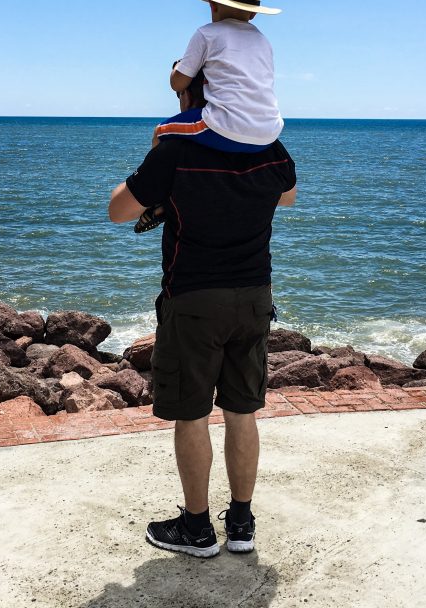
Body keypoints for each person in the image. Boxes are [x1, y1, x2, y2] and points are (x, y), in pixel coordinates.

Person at [108, 92, 297, 558]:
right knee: (242, 411)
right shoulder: (269, 146)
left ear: (194, 92)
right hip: (254, 296)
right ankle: (241, 524)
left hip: (193, 299)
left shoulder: (176, 145)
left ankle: (196, 529)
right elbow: (287, 195)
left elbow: (119, 210)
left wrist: (158, 152)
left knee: (191, 413)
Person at [152, 0, 283, 154]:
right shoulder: (263, 41)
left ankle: (155, 183)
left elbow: (178, 84)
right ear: (254, 14)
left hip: (224, 127)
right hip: (269, 132)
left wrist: (175, 69)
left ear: (212, 5)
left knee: (159, 133)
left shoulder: (207, 34)